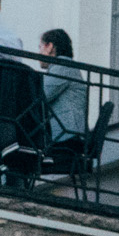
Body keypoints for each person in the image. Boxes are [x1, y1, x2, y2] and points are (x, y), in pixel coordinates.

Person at [38, 28, 88, 158]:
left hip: (67, 137)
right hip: (67, 135)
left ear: (49, 47)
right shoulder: (63, 67)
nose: (39, 53)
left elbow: (40, 95)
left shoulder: (63, 66)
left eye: (40, 47)